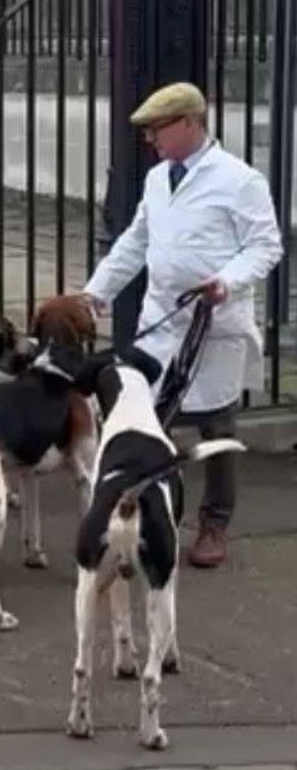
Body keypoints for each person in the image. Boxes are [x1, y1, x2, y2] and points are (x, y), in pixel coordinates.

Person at [83, 81, 282, 569]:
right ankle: (155, 514)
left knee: (215, 422)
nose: (152, 139)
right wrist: (97, 290)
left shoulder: (239, 180)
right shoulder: (158, 178)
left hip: (213, 321)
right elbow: (136, 240)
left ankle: (214, 524)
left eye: (158, 129)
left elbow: (266, 245)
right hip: (163, 319)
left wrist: (226, 281)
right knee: (151, 421)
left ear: (190, 122)